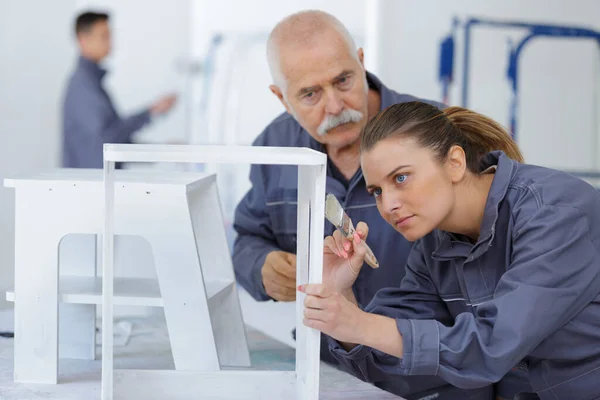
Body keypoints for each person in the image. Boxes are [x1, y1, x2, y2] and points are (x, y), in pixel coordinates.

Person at [232, 9, 508, 400]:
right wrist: (261, 267)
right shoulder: (274, 148)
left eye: (343, 80)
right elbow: (247, 235)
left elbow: (496, 245)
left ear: (361, 63)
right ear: (281, 97)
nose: (334, 106)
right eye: (309, 93)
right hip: (331, 371)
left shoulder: (436, 131)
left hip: (442, 377)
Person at [299, 101, 600, 400]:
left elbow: (491, 346)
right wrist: (341, 299)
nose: (388, 205)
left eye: (401, 178)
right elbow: (403, 364)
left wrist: (361, 325)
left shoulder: (556, 213)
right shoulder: (433, 244)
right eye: (377, 191)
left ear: (454, 163)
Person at [62, 11, 177, 168]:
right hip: (89, 186)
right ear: (83, 40)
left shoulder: (92, 82)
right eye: (104, 36)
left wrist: (161, 152)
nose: (110, 42)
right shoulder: (84, 87)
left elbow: (115, 143)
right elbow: (108, 142)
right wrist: (150, 112)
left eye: (109, 35)